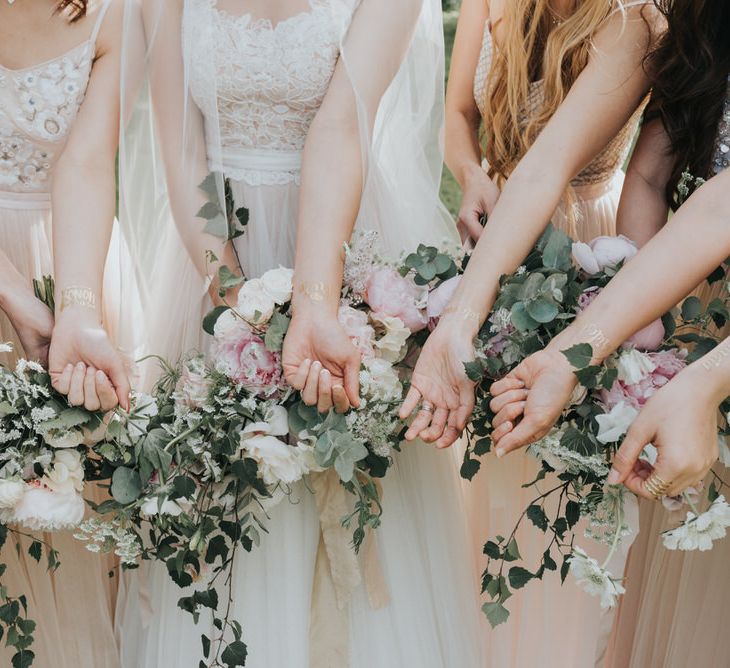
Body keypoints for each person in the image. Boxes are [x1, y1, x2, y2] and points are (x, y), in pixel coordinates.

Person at [115, 2, 481, 666]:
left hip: (341, 244)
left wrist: (312, 299)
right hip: (216, 254)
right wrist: (237, 303)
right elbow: (184, 149)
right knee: (225, 486)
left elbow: (341, 125)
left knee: (348, 474)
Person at [402, 0, 662, 663]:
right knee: (488, 458)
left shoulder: (632, 20)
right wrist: (472, 179)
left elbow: (557, 162)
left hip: (584, 242)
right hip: (497, 233)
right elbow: (457, 117)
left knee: (556, 469)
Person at [0, 0, 133, 665]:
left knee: (60, 509)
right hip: (14, 282)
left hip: (66, 253)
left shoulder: (113, 11)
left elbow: (84, 165)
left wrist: (76, 307)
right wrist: (18, 301)